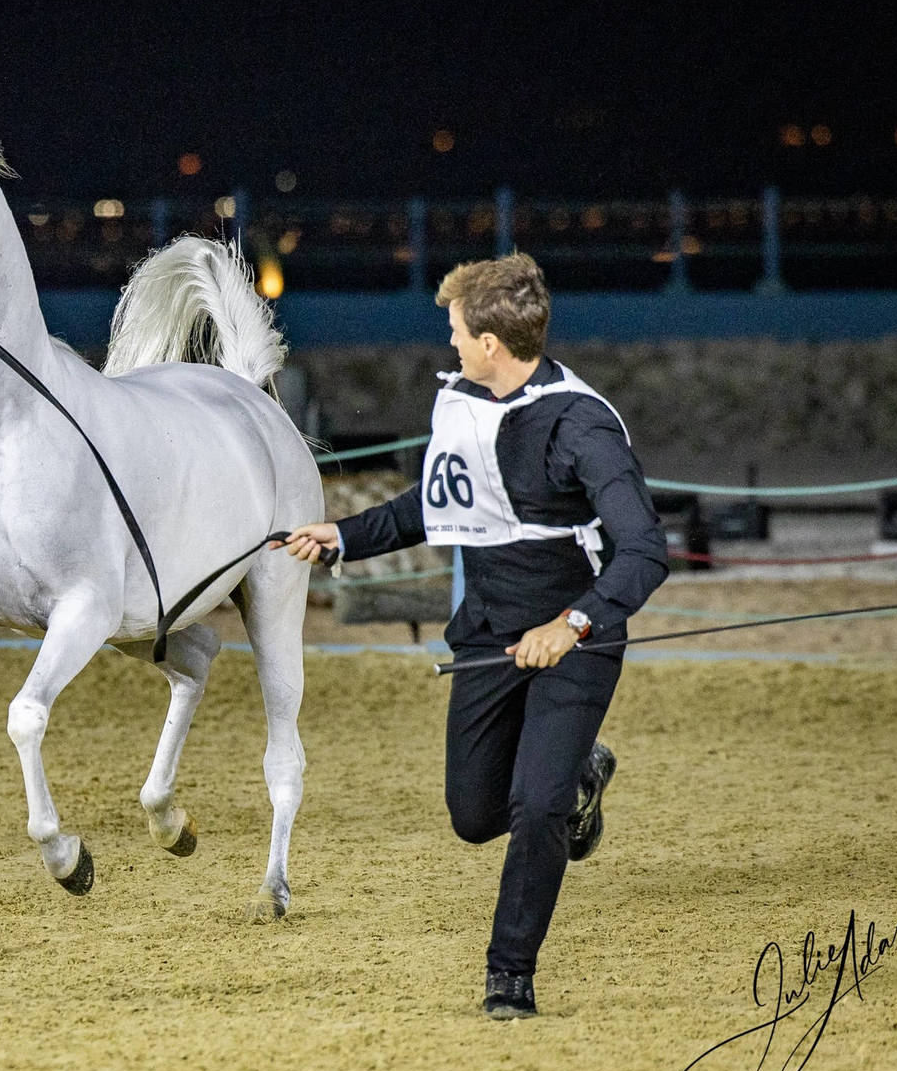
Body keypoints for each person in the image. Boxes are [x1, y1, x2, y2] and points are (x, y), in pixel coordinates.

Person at [278, 251, 667, 1019]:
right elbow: (439, 504)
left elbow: (645, 550)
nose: (449, 342)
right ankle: (584, 775)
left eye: (456, 329)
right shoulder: (462, 399)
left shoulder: (580, 425)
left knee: (538, 806)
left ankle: (510, 972)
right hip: (488, 634)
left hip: (576, 639)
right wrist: (342, 536)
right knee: (474, 815)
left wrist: (573, 622)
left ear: (491, 341)